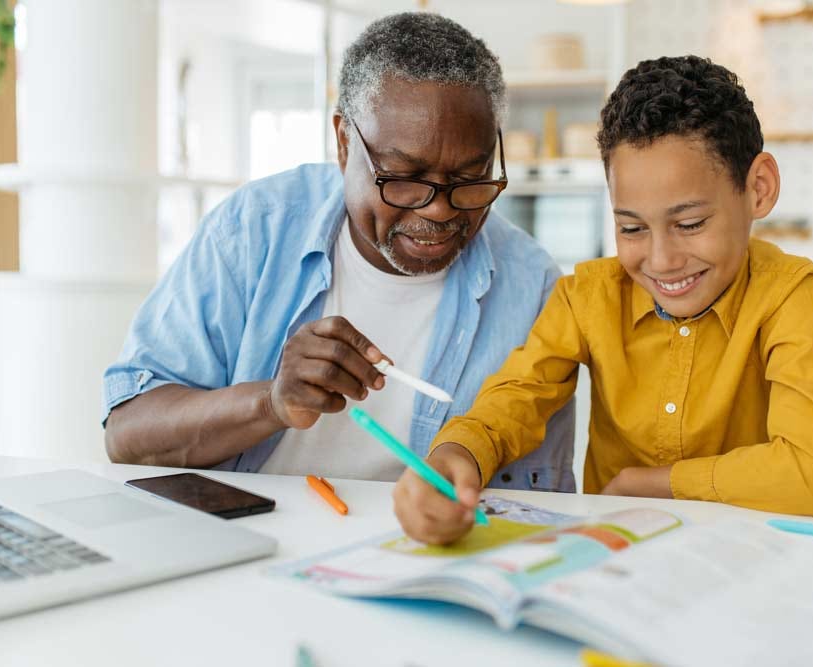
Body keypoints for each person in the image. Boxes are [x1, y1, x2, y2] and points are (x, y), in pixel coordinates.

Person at [393, 55, 813, 544]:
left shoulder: (787, 291)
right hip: (614, 556)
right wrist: (457, 453)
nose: (660, 260)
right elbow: (515, 399)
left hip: (743, 553)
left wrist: (660, 484)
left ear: (758, 189)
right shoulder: (587, 296)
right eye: (631, 228)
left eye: (690, 224)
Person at [101, 12, 575, 492]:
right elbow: (127, 435)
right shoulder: (254, 230)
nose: (438, 211)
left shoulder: (531, 286)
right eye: (405, 179)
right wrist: (270, 402)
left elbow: (540, 502)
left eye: (470, 179)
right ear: (344, 143)